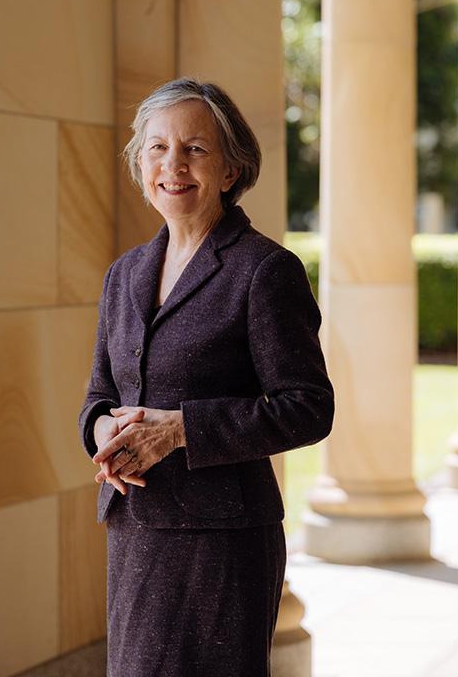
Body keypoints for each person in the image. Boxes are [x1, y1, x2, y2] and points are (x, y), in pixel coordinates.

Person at [77, 77, 335, 676]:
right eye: (157, 148)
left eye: (195, 148)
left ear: (229, 169)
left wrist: (181, 429)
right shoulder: (125, 274)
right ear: (141, 164)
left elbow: (307, 406)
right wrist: (101, 434)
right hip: (135, 531)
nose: (173, 165)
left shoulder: (264, 270)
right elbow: (99, 394)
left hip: (222, 541)